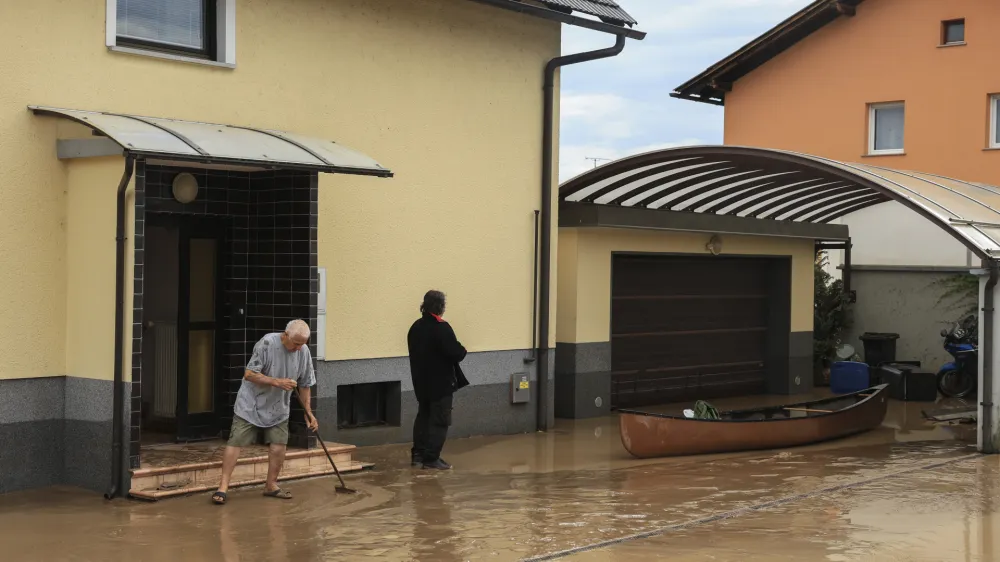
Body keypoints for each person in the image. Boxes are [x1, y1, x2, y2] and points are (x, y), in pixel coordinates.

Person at [212, 319, 319, 504]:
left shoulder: (304, 352)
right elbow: (249, 373)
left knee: (279, 446)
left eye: (303, 344)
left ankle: (271, 485)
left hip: (278, 406)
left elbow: (305, 384)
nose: (299, 348)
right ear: (286, 336)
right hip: (251, 403)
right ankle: (222, 487)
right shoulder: (267, 343)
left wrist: (308, 412)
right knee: (236, 441)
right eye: (296, 343)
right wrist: (277, 382)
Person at [408, 290, 468, 470]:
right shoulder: (441, 327)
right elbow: (456, 353)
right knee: (440, 420)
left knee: (423, 417)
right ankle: (431, 458)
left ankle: (418, 455)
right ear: (440, 307)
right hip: (441, 384)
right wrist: (462, 349)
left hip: (421, 383)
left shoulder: (415, 327)